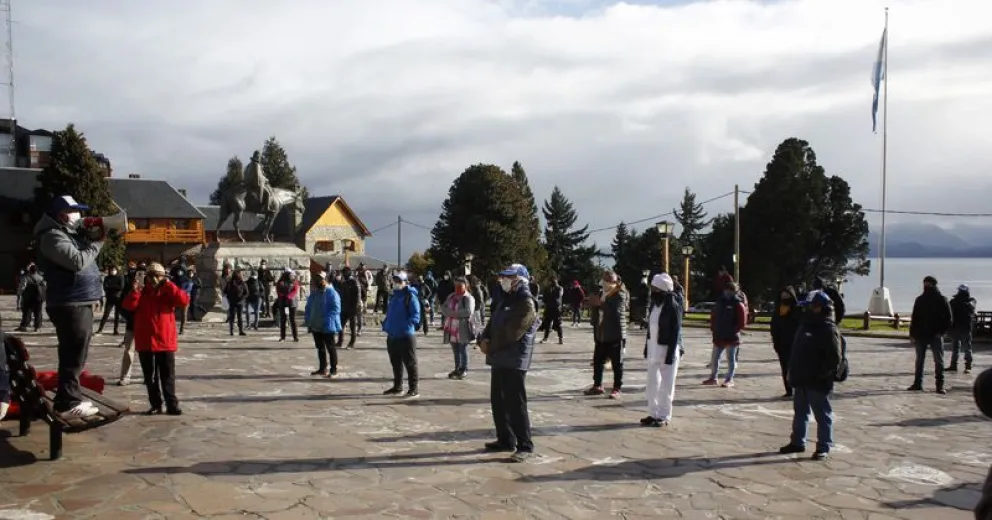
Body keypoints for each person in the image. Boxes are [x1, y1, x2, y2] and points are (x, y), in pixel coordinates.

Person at [35, 195, 106, 418]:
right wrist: (98, 242)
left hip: (77, 300)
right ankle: (68, 401)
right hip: (69, 302)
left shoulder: (65, 234)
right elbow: (77, 262)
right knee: (74, 352)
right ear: (62, 214)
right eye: (75, 211)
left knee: (75, 351)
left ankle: (68, 396)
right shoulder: (52, 237)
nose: (79, 215)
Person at [478, 264, 538, 462]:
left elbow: (513, 332)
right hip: (499, 357)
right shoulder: (504, 298)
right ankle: (505, 439)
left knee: (515, 403)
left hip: (515, 359)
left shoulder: (525, 302)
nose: (504, 280)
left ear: (520, 279)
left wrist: (491, 345)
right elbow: (492, 323)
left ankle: (525, 445)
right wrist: (483, 339)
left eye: (509, 277)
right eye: (503, 276)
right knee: (498, 400)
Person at [779, 290, 843, 461]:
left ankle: (824, 446)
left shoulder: (828, 328)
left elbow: (834, 358)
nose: (807, 309)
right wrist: (791, 372)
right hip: (801, 378)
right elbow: (796, 351)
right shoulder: (805, 325)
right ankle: (797, 442)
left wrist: (820, 375)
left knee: (822, 415)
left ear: (820, 308)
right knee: (800, 412)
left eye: (811, 306)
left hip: (817, 381)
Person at [121, 262, 189, 416]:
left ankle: (172, 404)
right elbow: (128, 306)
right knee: (150, 377)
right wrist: (134, 291)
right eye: (150, 275)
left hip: (164, 341)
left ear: (163, 277)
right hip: (146, 341)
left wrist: (169, 285)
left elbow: (183, 300)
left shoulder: (168, 292)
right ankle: (156, 404)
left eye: (157, 275)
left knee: (167, 375)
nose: (153, 279)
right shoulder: (142, 293)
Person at [642, 273, 683, 428]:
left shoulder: (673, 305)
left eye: (655, 288)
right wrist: (647, 348)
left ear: (662, 289)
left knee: (667, 386)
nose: (652, 291)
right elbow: (651, 329)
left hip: (667, 350)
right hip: (654, 349)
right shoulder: (654, 304)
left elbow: (676, 331)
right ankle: (653, 413)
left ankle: (664, 415)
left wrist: (671, 354)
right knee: (652, 385)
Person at [587, 271, 629, 399]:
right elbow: (596, 309)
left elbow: (616, 311)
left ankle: (617, 388)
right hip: (601, 333)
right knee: (598, 361)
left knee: (617, 363)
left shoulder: (620, 293)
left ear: (615, 281)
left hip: (615, 333)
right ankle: (597, 385)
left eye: (608, 281)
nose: (605, 284)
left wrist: (600, 303)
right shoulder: (602, 293)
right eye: (604, 280)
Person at [908, 275, 953, 394]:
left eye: (928, 284)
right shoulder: (920, 299)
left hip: (935, 335)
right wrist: (912, 333)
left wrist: (941, 332)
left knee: (938, 360)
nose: (926, 286)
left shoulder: (942, 299)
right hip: (920, 334)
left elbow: (948, 318)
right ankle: (917, 383)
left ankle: (939, 385)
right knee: (919, 360)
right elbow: (915, 317)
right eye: (925, 284)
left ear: (934, 285)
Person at [382, 271, 421, 397]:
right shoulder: (394, 297)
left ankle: (413, 388)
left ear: (405, 283)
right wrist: (386, 325)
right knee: (396, 363)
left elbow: (416, 316)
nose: (396, 284)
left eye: (399, 281)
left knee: (410, 363)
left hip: (405, 335)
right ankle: (397, 386)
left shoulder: (410, 297)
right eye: (395, 281)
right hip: (392, 335)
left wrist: (406, 325)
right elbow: (390, 314)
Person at [705, 281, 747, 388]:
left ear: (734, 291)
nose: (727, 292)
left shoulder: (738, 304)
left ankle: (729, 379)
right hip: (719, 335)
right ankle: (713, 377)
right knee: (714, 358)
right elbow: (713, 316)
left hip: (731, 337)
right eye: (726, 290)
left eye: (730, 290)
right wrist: (713, 328)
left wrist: (733, 331)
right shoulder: (720, 302)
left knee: (731, 358)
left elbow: (742, 322)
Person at [305, 271, 342, 377]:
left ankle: (333, 369)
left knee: (331, 348)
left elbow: (336, 309)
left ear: (325, 280)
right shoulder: (315, 293)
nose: (317, 281)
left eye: (320, 279)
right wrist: (308, 320)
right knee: (320, 348)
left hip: (327, 325)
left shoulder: (332, 293)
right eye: (316, 279)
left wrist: (327, 320)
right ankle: (322, 368)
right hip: (316, 325)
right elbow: (309, 307)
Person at [441, 276, 476, 379]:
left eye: (460, 285)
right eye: (456, 285)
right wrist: (451, 313)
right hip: (451, 327)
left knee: (463, 349)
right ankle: (457, 368)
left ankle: (464, 369)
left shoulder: (468, 298)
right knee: (455, 350)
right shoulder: (451, 296)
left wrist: (452, 314)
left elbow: (468, 312)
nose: (457, 288)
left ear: (466, 286)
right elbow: (443, 308)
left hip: (463, 327)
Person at [770, 286, 802, 398]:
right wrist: (775, 340)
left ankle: (798, 388)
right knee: (785, 367)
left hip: (795, 343)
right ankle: (789, 390)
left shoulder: (797, 309)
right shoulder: (779, 309)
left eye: (787, 294)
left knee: (795, 367)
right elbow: (774, 326)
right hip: (782, 343)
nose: (785, 296)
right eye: (783, 294)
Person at [948, 284, 977, 374]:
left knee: (964, 348)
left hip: (963, 327)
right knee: (958, 347)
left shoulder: (969, 301)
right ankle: (955, 365)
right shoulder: (955, 301)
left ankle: (967, 365)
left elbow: (971, 309)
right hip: (959, 327)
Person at [96, 265, 125, 335]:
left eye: (114, 269)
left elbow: (121, 287)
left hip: (118, 298)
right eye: (111, 270)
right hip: (109, 298)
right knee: (106, 314)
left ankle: (115, 330)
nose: (113, 271)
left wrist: (111, 287)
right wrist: (113, 287)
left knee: (117, 315)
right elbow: (105, 287)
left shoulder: (120, 277)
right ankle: (100, 329)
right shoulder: (107, 277)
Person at [338, 266, 362, 349]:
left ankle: (352, 343)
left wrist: (355, 308)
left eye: (344, 273)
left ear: (348, 273)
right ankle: (340, 341)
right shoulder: (344, 283)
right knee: (341, 325)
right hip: (345, 307)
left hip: (354, 308)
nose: (343, 274)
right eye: (343, 273)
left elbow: (358, 296)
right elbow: (342, 296)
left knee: (352, 326)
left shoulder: (355, 282)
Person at [16, 264, 45, 332]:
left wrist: (19, 294)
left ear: (30, 270)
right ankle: (37, 326)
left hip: (29, 298)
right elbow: (45, 286)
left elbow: (22, 287)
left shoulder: (26, 278)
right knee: (38, 312)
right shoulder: (41, 278)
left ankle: (24, 326)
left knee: (27, 312)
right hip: (38, 298)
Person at [276, 269, 300, 342]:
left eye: (291, 275)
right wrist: (283, 296)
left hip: (292, 303)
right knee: (283, 320)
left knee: (293, 320)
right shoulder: (280, 282)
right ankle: (282, 337)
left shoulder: (294, 282)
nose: (291, 276)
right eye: (289, 275)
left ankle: (295, 337)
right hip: (283, 303)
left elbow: (295, 290)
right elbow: (278, 291)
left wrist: (288, 296)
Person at [539, 278, 564, 344]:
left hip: (556, 308)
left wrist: (549, 295)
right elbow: (544, 298)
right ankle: (545, 338)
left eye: (553, 282)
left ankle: (560, 338)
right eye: (550, 282)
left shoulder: (559, 288)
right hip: (548, 308)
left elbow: (558, 296)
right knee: (547, 323)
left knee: (558, 324)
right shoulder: (547, 288)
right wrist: (548, 297)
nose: (551, 283)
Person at [225, 270, 248, 336]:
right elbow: (225, 291)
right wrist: (229, 298)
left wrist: (242, 298)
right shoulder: (230, 283)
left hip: (240, 302)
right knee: (233, 317)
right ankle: (232, 331)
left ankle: (240, 331)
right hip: (233, 302)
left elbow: (246, 292)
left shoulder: (242, 283)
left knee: (238, 317)